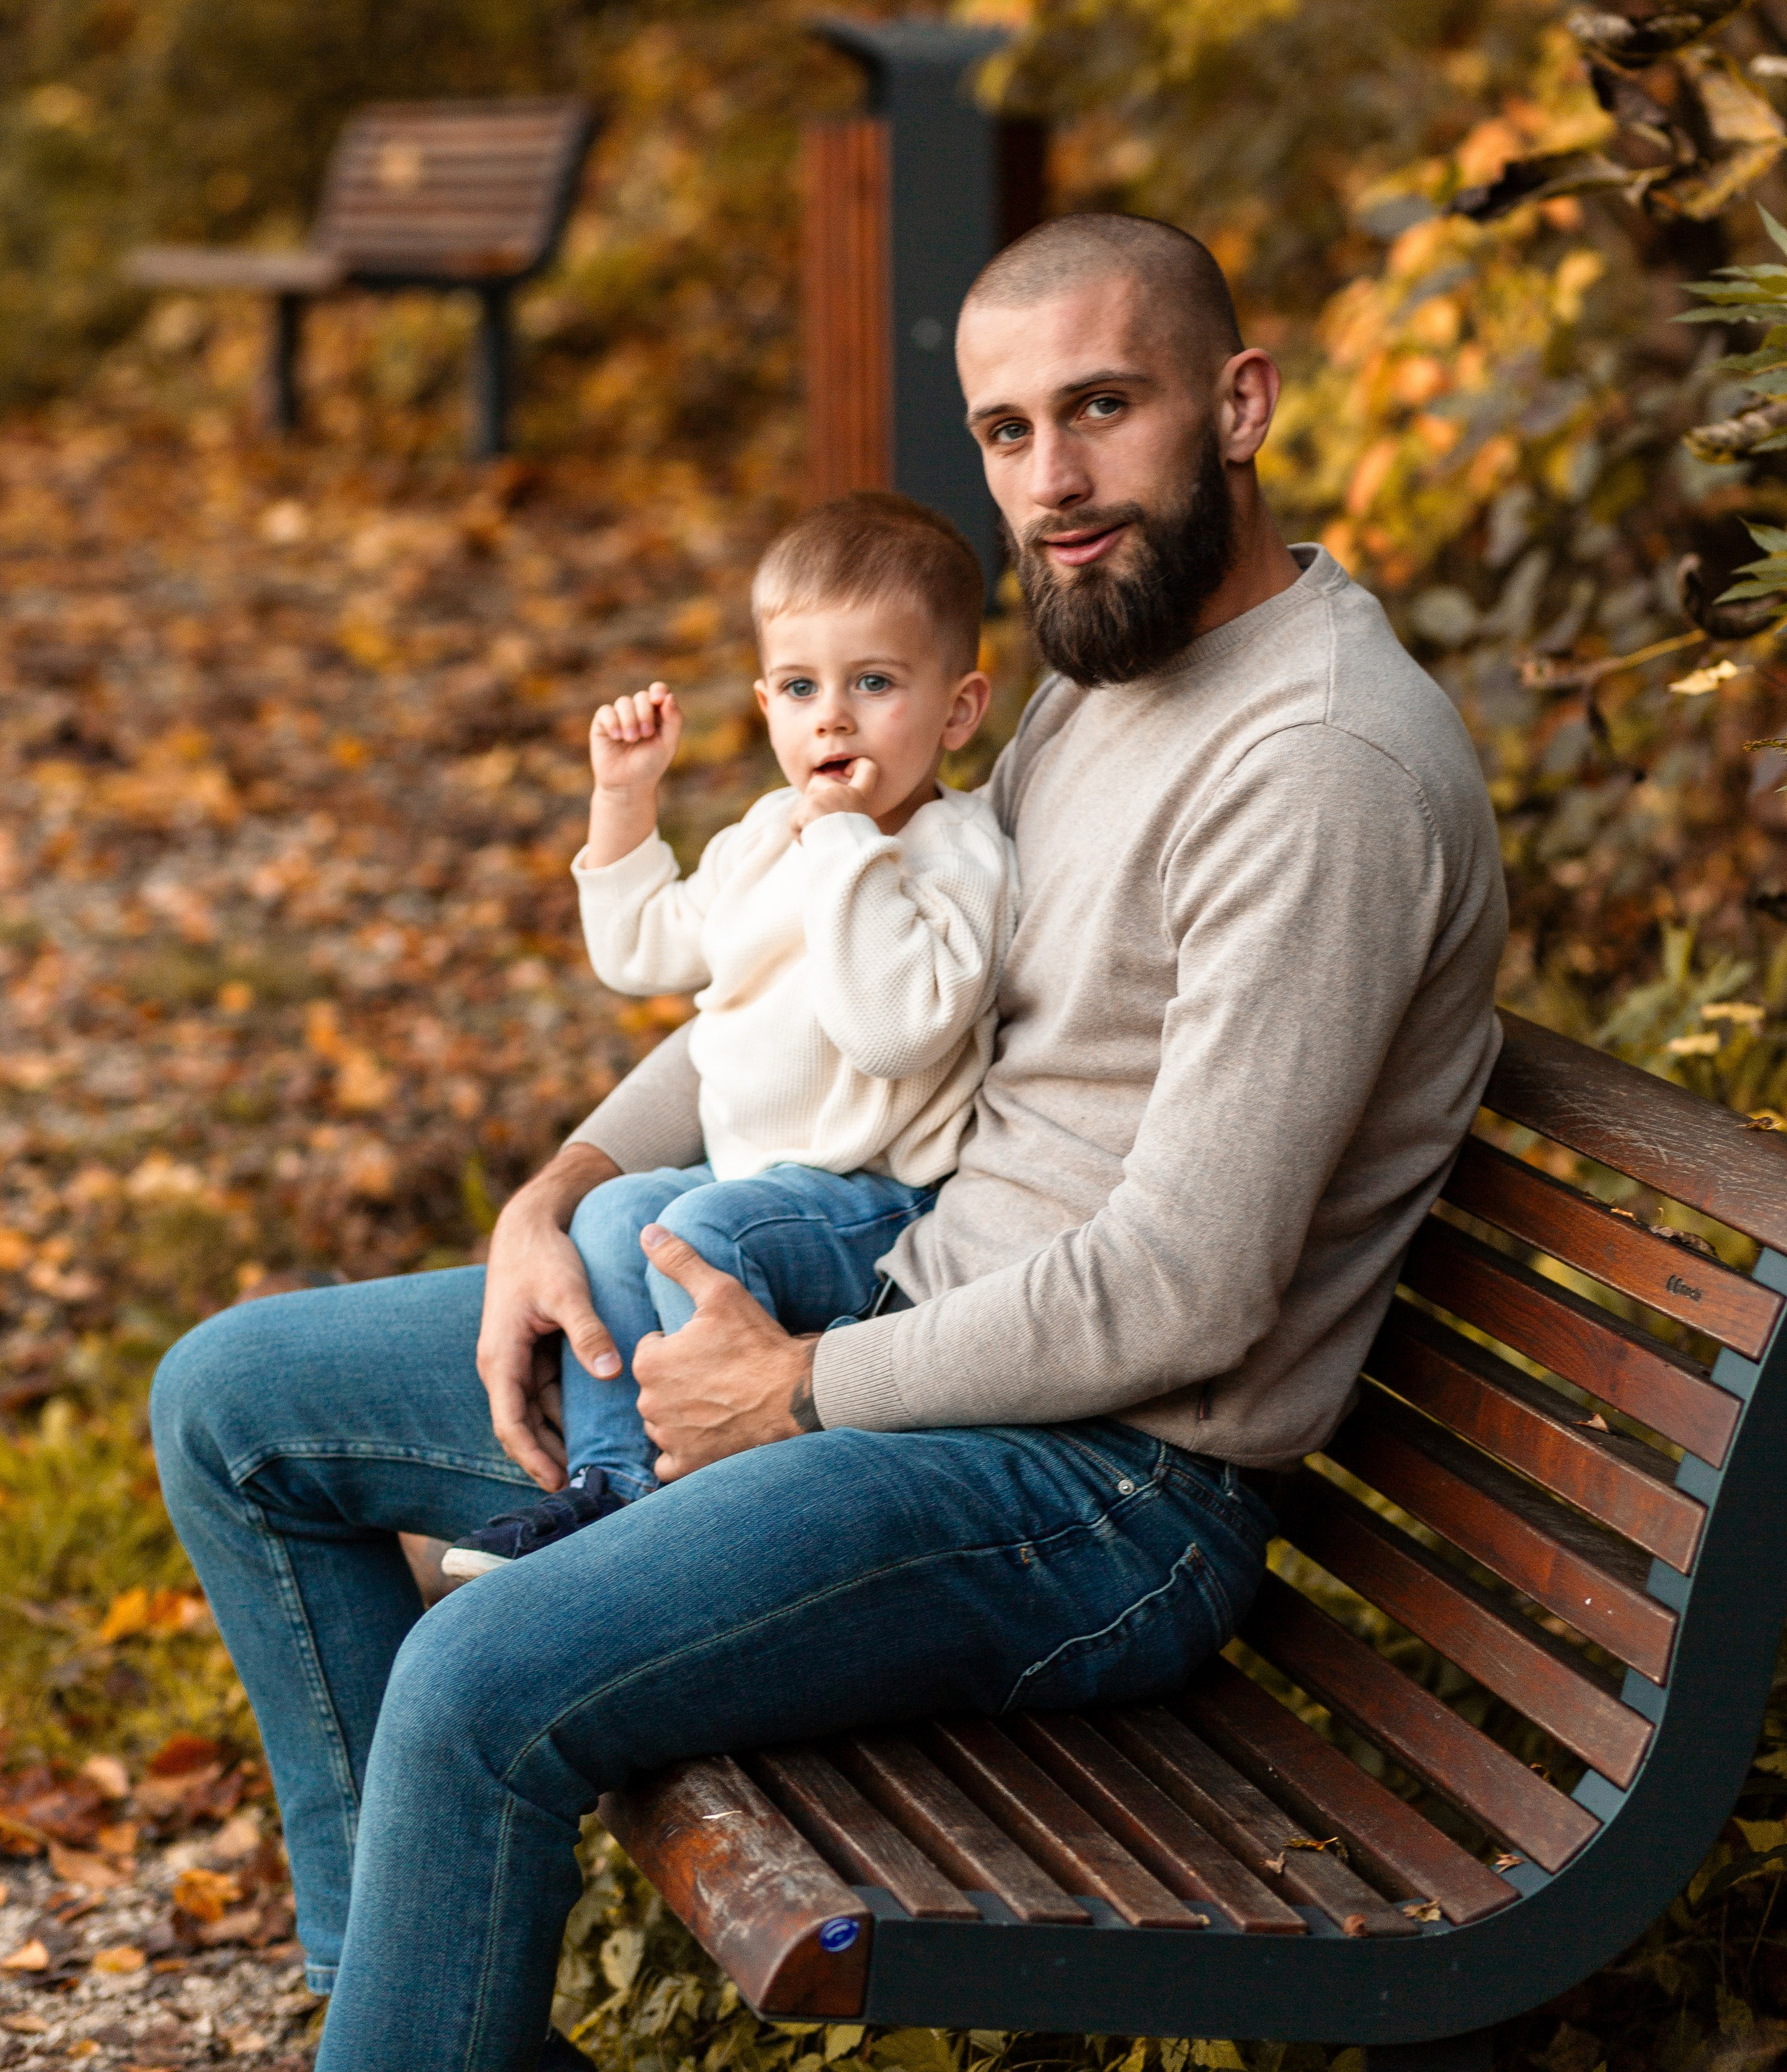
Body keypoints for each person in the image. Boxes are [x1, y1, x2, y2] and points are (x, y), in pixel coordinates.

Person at [149, 211, 1506, 2072]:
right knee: (236, 1403)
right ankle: (408, 2021)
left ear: (1242, 402)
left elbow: (1190, 1288)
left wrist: (794, 1390)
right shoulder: (1106, 681)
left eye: (1105, 408)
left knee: (475, 1678)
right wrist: (557, 1194)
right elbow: (834, 991)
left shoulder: (1318, 767)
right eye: (1010, 429)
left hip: (1100, 1488)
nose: (1058, 480)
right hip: (896, 1316)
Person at [442, 492, 1018, 1575]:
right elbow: (647, 952)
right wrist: (625, 802)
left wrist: (847, 845)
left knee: (698, 1229)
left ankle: (703, 1513)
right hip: (754, 1182)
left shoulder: (959, 853)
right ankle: (609, 1487)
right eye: (803, 688)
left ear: (957, 707)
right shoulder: (766, 834)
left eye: (876, 683)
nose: (833, 719)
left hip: (880, 1203)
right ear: (766, 707)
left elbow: (896, 1030)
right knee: (616, 1214)